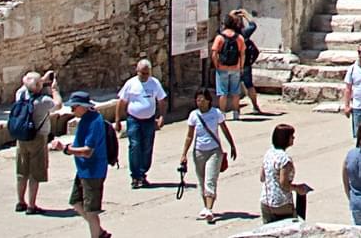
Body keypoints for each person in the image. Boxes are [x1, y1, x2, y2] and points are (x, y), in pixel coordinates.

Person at [52, 90, 115, 238]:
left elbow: (88, 151)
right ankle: (100, 232)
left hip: (93, 172)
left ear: (83, 106)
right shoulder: (86, 119)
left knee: (91, 211)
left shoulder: (94, 122)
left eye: (74, 107)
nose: (72, 110)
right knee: (76, 202)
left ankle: (96, 235)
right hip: (83, 170)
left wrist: (66, 149)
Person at [180, 89, 231, 221]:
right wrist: (184, 154)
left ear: (208, 100)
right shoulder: (193, 115)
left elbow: (224, 129)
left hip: (214, 151)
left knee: (210, 180)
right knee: (202, 181)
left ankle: (209, 209)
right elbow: (189, 136)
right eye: (197, 100)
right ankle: (205, 206)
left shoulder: (216, 113)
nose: (200, 102)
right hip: (199, 152)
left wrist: (232, 145)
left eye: (202, 99)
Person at [117, 58, 168, 188]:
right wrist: (118, 120)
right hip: (134, 119)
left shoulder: (154, 83)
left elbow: (161, 100)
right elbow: (121, 102)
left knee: (147, 146)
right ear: (137, 71)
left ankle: (142, 173)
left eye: (147, 73)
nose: (145, 76)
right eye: (142, 73)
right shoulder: (131, 84)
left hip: (149, 120)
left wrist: (162, 116)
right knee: (135, 145)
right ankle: (135, 175)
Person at [207, 12, 267, 116]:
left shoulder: (222, 35)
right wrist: (245, 14)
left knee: (223, 92)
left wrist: (217, 66)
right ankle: (249, 108)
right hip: (240, 66)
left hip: (223, 67)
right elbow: (253, 25)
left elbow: (214, 52)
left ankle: (222, 114)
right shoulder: (242, 35)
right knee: (245, 87)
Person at [10, 70, 53, 214]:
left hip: (22, 136)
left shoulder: (20, 95)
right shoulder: (44, 101)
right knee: (35, 172)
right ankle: (31, 205)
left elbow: (26, 86)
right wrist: (54, 89)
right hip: (38, 137)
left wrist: (40, 81)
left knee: (22, 171)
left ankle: (20, 201)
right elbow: (58, 105)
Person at [259, 122, 311, 221]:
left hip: (265, 201)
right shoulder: (285, 160)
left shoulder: (268, 153)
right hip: (281, 203)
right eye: (292, 136)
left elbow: (262, 177)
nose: (294, 138)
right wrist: (298, 188)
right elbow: (284, 184)